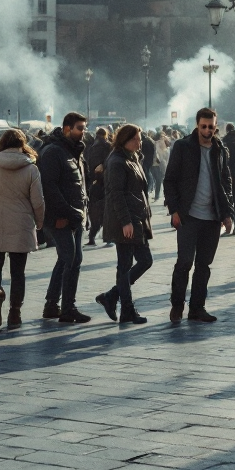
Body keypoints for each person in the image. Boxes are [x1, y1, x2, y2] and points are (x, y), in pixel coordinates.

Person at [163, 107, 233, 323]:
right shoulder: (183, 147)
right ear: (197, 125)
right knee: (184, 262)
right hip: (188, 215)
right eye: (203, 126)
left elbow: (225, 182)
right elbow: (170, 180)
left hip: (212, 218)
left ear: (216, 126)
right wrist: (174, 210)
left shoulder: (220, 149)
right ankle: (177, 305)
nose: (207, 130)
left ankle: (197, 308)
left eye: (211, 127)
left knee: (204, 265)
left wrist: (227, 212)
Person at [0, 128, 44, 329]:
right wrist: (39, 221)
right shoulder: (31, 168)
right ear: (22, 145)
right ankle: (15, 312)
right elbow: (38, 201)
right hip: (21, 221)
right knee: (18, 272)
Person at [95, 124, 153, 325]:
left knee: (145, 260)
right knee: (125, 265)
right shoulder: (117, 161)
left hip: (137, 218)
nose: (140, 142)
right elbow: (115, 194)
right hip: (125, 220)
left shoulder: (132, 158)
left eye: (140, 138)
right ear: (125, 140)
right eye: (136, 139)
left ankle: (112, 295)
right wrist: (126, 221)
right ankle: (126, 309)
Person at [39, 113, 91, 323]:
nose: (83, 132)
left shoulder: (72, 150)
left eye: (84, 128)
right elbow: (49, 187)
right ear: (67, 128)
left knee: (66, 258)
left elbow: (78, 185)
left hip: (75, 215)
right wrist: (65, 213)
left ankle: (52, 304)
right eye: (80, 128)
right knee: (72, 259)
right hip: (63, 216)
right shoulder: (54, 152)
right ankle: (68, 308)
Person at [84, 128, 111, 247]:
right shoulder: (108, 146)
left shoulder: (91, 147)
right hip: (106, 181)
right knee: (107, 210)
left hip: (94, 182)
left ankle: (92, 237)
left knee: (95, 211)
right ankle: (108, 238)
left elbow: (88, 163)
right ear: (106, 135)